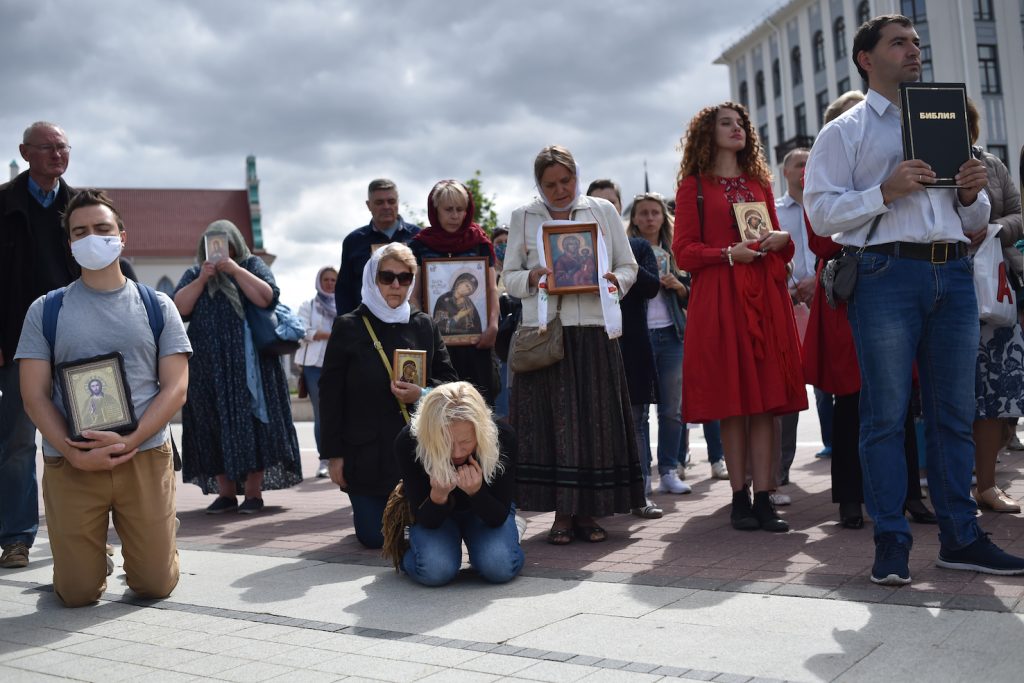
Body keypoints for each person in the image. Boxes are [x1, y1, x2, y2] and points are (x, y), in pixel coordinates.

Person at [805, 14, 1024, 583]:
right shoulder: (845, 131)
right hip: (884, 273)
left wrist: (974, 195)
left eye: (917, 43)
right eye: (899, 43)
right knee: (885, 415)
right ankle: (892, 541)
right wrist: (885, 190)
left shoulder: (944, 121)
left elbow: (970, 217)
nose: (913, 51)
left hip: (952, 271)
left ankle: (961, 537)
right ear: (866, 58)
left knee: (954, 414)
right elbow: (821, 212)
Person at [16, 189, 190, 606]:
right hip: (72, 460)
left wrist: (132, 440)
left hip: (143, 454)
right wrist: (72, 453)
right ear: (70, 243)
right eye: (80, 232)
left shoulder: (157, 305)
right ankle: (91, 558)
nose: (92, 237)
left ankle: (159, 543)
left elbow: (176, 387)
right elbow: (34, 396)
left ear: (122, 237)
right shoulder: (46, 310)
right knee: (76, 593)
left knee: (154, 585)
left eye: (102, 228)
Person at [803, 89, 935, 531]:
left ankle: (911, 494)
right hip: (849, 294)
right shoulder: (829, 168)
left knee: (900, 397)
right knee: (851, 399)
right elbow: (823, 240)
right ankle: (848, 497)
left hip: (888, 286)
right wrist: (872, 199)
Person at [673, 101, 806, 533]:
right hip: (721, 296)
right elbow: (684, 252)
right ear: (706, 135)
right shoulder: (693, 185)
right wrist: (728, 254)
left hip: (764, 295)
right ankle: (738, 497)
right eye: (725, 124)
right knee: (734, 402)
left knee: (766, 403)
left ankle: (766, 496)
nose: (736, 129)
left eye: (741, 124)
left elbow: (779, 245)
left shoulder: (758, 182)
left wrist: (782, 239)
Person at [503, 145, 643, 544]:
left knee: (593, 425)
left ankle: (588, 513)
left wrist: (616, 282)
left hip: (595, 330)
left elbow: (627, 265)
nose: (560, 190)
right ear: (538, 185)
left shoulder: (602, 210)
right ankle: (562, 514)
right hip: (546, 331)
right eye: (550, 184)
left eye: (566, 181)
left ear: (576, 176)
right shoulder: (523, 217)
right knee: (556, 426)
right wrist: (532, 278)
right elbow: (507, 275)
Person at [319, 243, 457, 548]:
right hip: (366, 455)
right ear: (372, 278)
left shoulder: (424, 325)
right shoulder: (348, 327)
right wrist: (334, 455)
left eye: (405, 278)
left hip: (418, 452)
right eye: (387, 276)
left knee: (422, 526)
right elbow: (330, 397)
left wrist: (421, 394)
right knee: (375, 537)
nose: (396, 284)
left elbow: (450, 383)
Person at [173, 220, 302, 514]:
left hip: (249, 365)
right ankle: (226, 493)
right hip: (208, 368)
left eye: (225, 243)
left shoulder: (251, 265)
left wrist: (234, 269)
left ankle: (254, 493)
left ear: (235, 243)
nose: (219, 249)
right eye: (213, 243)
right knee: (211, 423)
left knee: (253, 423)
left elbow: (267, 297)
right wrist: (203, 279)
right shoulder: (196, 272)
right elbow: (179, 307)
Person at [0, 122, 79, 569]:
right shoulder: (3, 205)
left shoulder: (81, 207)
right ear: (24, 152)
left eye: (62, 147)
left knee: (82, 435)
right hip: (17, 345)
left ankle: (80, 530)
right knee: (15, 443)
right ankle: (16, 537)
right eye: (46, 147)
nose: (56, 154)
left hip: (74, 343)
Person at [394, 381, 523, 586]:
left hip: (488, 511)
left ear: (481, 433)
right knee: (435, 571)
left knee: (499, 567)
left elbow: (497, 515)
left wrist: (477, 492)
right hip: (436, 515)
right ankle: (412, 550)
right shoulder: (409, 441)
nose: (457, 453)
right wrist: (438, 496)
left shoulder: (503, 436)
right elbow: (425, 519)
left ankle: (508, 532)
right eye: (445, 442)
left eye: (465, 442)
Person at [964, 98, 1024, 513]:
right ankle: (942, 481)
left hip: (996, 292)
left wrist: (994, 229)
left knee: (997, 393)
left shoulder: (993, 165)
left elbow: (1020, 214)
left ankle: (986, 484)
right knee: (944, 395)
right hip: (939, 287)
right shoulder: (918, 164)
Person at [625, 192, 692, 496]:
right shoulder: (624, 249)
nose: (650, 218)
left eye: (655, 212)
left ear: (664, 217)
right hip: (638, 336)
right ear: (634, 218)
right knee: (639, 411)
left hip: (671, 334)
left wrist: (679, 286)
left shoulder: (677, 250)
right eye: (643, 213)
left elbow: (694, 292)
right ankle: (642, 477)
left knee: (671, 409)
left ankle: (669, 469)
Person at [410, 180, 499, 405]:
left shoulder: (479, 242)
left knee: (479, 406)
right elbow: (415, 295)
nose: (455, 215)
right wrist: (422, 332)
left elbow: (491, 288)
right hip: (437, 348)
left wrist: (493, 325)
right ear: (435, 210)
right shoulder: (420, 246)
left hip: (476, 344)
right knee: (439, 406)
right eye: (448, 209)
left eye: (461, 209)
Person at [773, 147, 813, 500]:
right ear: (785, 172)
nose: (805, 168)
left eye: (810, 163)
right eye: (799, 163)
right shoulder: (773, 210)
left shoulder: (824, 202)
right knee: (789, 388)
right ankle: (781, 466)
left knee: (839, 386)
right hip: (786, 305)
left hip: (829, 299)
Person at [619, 234, 668, 518]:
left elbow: (651, 287)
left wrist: (626, 263)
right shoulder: (584, 246)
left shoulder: (637, 247)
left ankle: (641, 494)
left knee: (637, 421)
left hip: (634, 342)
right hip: (597, 342)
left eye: (611, 204)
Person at [338, 179, 421, 315]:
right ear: (368, 205)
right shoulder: (353, 241)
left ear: (398, 202)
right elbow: (344, 291)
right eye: (379, 202)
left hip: (410, 325)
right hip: (365, 327)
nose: (386, 206)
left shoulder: (418, 237)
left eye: (391, 201)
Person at [296, 266, 337, 479]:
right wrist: (325, 334)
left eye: (333, 280)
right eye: (326, 279)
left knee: (342, 411)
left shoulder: (344, 303)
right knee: (321, 413)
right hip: (314, 367)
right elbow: (301, 330)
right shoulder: (309, 305)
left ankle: (342, 457)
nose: (330, 283)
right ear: (319, 282)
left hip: (339, 364)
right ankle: (324, 459)